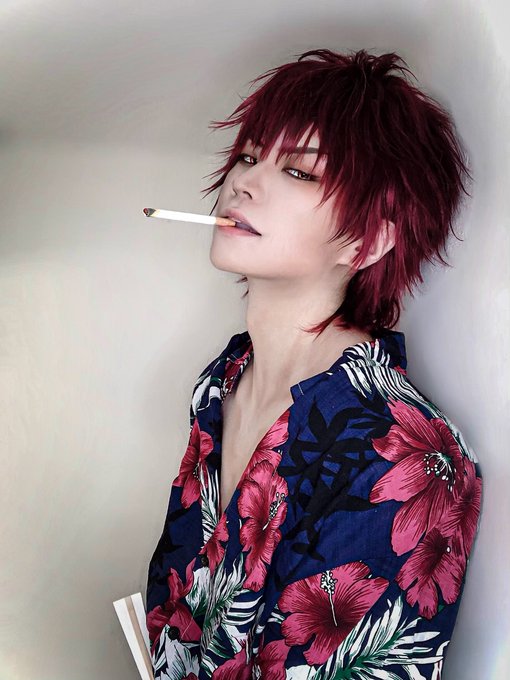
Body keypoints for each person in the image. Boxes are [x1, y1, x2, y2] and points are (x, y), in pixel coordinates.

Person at [146, 48, 482, 679]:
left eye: (299, 171)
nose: (243, 182)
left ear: (369, 239)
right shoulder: (221, 383)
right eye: (249, 156)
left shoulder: (407, 459)